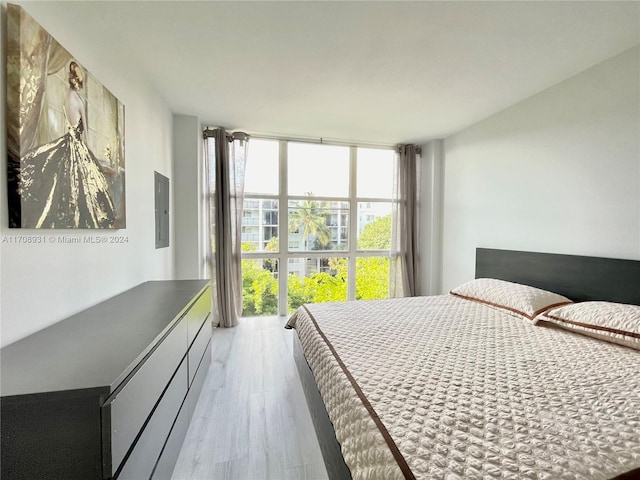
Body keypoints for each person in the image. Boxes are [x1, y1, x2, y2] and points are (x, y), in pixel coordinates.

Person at [17, 61, 117, 228]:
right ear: (78, 82)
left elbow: (69, 125)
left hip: (67, 141)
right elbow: (86, 134)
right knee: (84, 186)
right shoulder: (79, 101)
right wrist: (96, 160)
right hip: (77, 144)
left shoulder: (66, 97)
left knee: (62, 182)